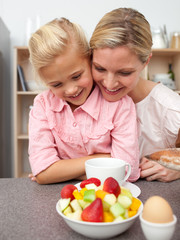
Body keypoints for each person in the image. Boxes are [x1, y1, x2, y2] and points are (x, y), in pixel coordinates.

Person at [28, 17, 140, 184]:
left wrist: (60, 171)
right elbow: (43, 173)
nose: (71, 89)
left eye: (77, 76)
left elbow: (127, 172)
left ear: (90, 59)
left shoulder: (120, 105)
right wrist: (105, 158)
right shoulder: (43, 105)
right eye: (57, 84)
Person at [89, 7, 180, 182]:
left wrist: (178, 165)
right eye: (99, 68)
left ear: (146, 62)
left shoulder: (170, 110)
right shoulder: (83, 93)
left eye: (124, 73)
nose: (109, 83)